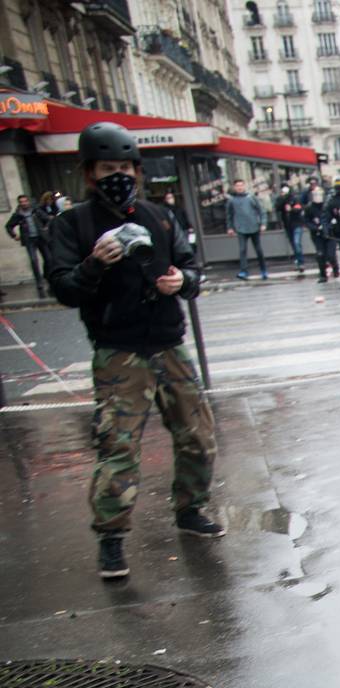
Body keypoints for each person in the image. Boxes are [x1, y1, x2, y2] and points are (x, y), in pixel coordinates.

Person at [45, 122, 224, 580]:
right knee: (118, 447)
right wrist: (94, 264)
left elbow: (190, 268)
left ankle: (190, 509)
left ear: (138, 171)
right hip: (118, 351)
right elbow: (64, 288)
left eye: (125, 167)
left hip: (167, 342)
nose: (118, 176)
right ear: (90, 174)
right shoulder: (73, 224)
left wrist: (183, 282)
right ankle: (111, 537)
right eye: (108, 169)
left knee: (197, 435)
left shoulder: (161, 217)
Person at [6, 194, 50, 297]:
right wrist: (14, 235)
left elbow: (47, 219)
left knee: (48, 259)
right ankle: (39, 282)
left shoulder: (36, 210)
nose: (24, 203)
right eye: (21, 202)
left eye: (25, 201)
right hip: (29, 240)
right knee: (34, 260)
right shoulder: (17, 215)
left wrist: (46, 228)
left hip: (40, 238)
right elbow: (8, 226)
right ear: (19, 203)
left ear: (28, 202)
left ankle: (47, 277)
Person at [225, 177, 268, 280]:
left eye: (241, 185)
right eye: (237, 186)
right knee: (242, 250)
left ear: (244, 186)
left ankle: (263, 270)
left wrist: (263, 223)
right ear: (234, 187)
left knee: (259, 250)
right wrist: (230, 228)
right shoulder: (231, 200)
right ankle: (244, 271)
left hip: (254, 227)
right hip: (240, 228)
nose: (239, 187)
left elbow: (262, 211)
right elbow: (229, 215)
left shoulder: (251, 197)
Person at [304, 185, 336, 282]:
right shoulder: (309, 208)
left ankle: (335, 267)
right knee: (320, 254)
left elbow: (334, 218)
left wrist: (328, 226)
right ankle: (323, 274)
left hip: (330, 234)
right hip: (317, 234)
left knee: (331, 254)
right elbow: (307, 221)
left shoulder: (328, 205)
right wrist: (316, 227)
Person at [275, 183, 307, 273]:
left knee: (297, 243)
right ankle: (298, 261)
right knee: (293, 244)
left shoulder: (295, 198)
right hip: (287, 225)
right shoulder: (280, 199)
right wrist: (282, 199)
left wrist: (292, 209)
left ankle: (301, 262)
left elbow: (299, 208)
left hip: (297, 224)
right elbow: (277, 207)